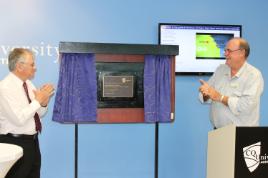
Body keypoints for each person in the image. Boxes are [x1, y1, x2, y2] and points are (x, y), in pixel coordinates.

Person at [0, 48, 54, 178]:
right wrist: (38, 100)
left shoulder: (28, 84)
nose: (35, 68)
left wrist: (44, 102)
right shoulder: (4, 88)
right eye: (32, 64)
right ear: (19, 66)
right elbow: (19, 119)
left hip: (33, 143)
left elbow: (39, 113)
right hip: (13, 143)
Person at [199, 37, 264, 129]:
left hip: (243, 134)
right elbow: (208, 95)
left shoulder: (253, 75)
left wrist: (220, 97)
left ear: (242, 53)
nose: (225, 54)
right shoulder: (221, 70)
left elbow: (245, 106)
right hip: (218, 132)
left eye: (229, 51)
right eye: (225, 50)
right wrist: (206, 94)